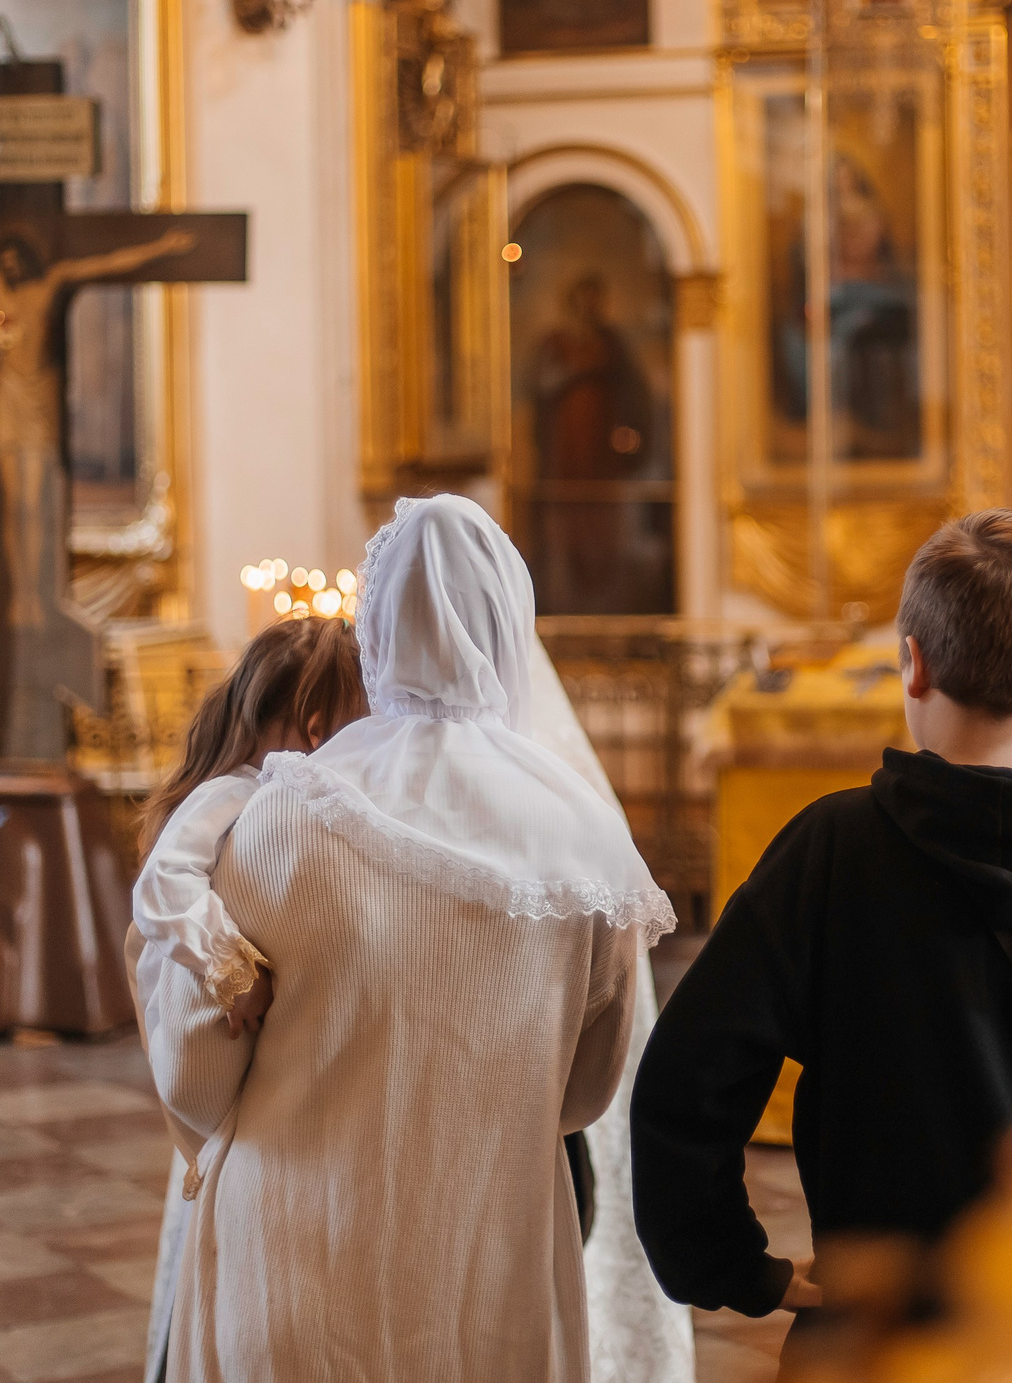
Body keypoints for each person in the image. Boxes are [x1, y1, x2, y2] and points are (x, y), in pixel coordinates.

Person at [629, 510, 1012, 1340]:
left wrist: (738, 1264)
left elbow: (686, 1079)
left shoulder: (833, 850)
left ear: (910, 664)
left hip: (878, 1327)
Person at [136, 495, 673, 1383]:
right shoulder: (586, 841)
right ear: (511, 625)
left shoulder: (281, 812)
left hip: (291, 1292)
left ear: (375, 632)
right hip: (487, 1294)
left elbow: (195, 1084)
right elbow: (580, 1096)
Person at [131, 615, 370, 1383]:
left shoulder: (261, 788)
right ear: (313, 725)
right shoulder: (238, 790)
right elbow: (161, 888)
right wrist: (234, 971)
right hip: (187, 1001)